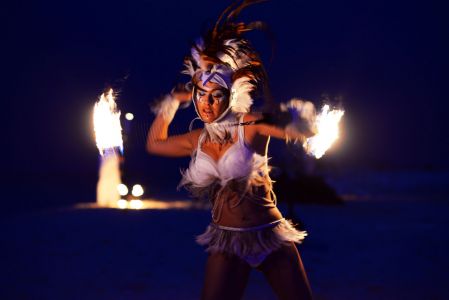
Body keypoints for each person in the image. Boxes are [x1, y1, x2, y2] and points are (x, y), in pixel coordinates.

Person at [147, 1, 315, 299]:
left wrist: (292, 120)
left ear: (230, 96)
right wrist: (173, 101)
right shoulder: (196, 139)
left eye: (216, 96)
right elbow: (154, 143)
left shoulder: (249, 124)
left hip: (270, 237)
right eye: (202, 96)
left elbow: (299, 131)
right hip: (227, 241)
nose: (207, 104)